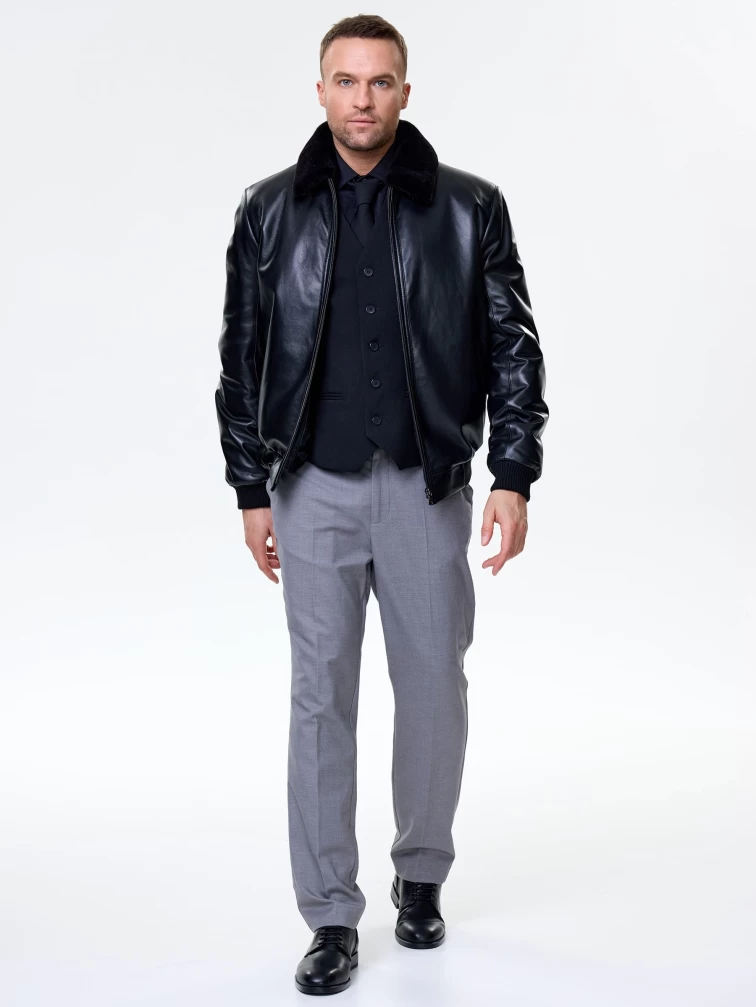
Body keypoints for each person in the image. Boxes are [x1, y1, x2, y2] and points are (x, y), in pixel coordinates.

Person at [215, 13, 548, 996]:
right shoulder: (267, 210)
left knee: (434, 685)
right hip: (309, 485)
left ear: (406, 90)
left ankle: (422, 870)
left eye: (380, 81)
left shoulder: (469, 207)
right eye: (346, 80)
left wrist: (513, 473)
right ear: (320, 89)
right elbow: (240, 356)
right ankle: (329, 912)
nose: (362, 99)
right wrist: (250, 487)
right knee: (320, 696)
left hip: (424, 484)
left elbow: (514, 346)